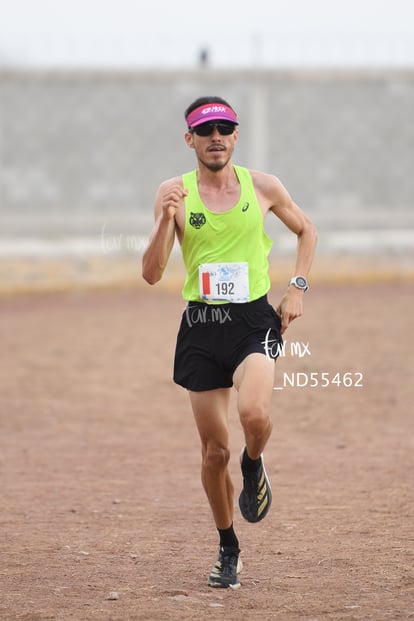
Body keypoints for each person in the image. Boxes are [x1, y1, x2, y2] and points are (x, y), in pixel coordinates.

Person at [142, 96, 317, 589]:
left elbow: (308, 231)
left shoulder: (263, 187)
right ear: (189, 140)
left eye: (224, 128)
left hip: (252, 320)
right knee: (213, 453)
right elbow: (152, 274)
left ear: (235, 136)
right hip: (200, 327)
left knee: (255, 416)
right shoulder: (172, 193)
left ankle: (254, 463)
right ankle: (228, 547)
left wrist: (296, 289)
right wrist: (163, 222)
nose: (215, 136)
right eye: (205, 130)